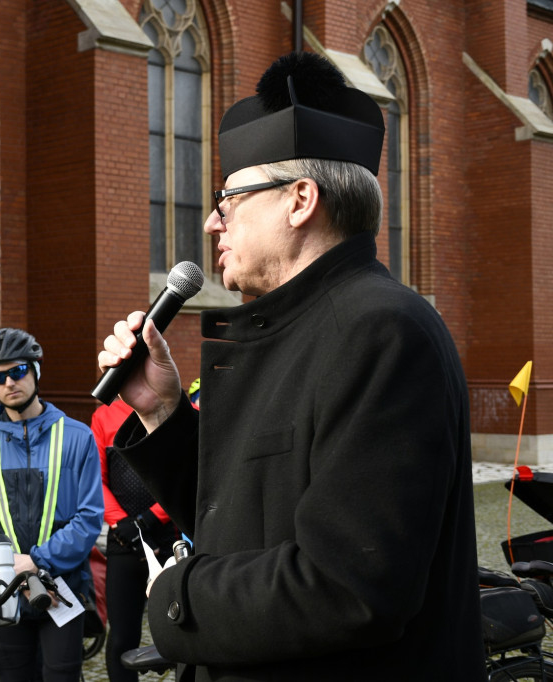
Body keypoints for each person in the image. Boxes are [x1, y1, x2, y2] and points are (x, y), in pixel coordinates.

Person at [98, 52, 485, 680]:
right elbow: (252, 521)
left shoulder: (382, 332)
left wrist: (179, 595)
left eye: (229, 198)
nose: (213, 222)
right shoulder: (298, 326)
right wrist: (164, 411)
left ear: (300, 199)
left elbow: (349, 587)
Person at [0, 328, 104, 682]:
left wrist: (37, 561)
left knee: (62, 674)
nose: (9, 382)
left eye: (18, 371)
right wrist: (9, 567)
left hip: (63, 585)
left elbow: (88, 518)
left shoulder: (77, 436)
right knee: (13, 676)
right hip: (4, 589)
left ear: (37, 370)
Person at [90, 398, 177, 682]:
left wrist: (151, 519)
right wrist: (121, 522)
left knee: (183, 634)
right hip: (124, 540)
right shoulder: (103, 416)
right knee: (121, 638)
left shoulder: (176, 406)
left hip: (169, 538)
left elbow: (185, 474)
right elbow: (96, 479)